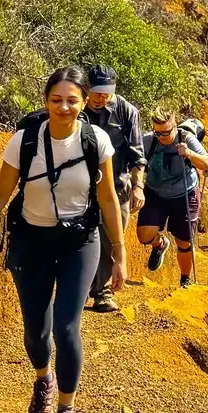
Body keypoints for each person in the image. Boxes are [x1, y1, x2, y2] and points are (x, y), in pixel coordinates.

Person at [0, 67, 125, 413]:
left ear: (84, 104)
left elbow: (109, 199)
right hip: (31, 241)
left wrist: (119, 253)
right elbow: (0, 194)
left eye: (71, 100)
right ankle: (42, 379)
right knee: (37, 330)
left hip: (80, 242)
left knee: (66, 327)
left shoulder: (95, 141)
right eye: (56, 99)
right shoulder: (24, 140)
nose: (63, 107)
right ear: (46, 100)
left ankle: (66, 411)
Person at [77, 65, 141, 314]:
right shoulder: (77, 108)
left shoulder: (127, 111)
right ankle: (82, 288)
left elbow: (137, 153)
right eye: (96, 92)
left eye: (106, 93)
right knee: (82, 235)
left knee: (111, 237)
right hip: (81, 185)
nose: (100, 98)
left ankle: (102, 291)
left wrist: (139, 187)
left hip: (118, 186)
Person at [136, 109, 208, 290]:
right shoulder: (149, 140)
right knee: (144, 235)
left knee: (184, 242)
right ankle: (159, 244)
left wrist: (189, 154)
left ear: (174, 125)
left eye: (166, 132)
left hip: (184, 193)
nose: (162, 136)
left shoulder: (187, 139)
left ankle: (185, 279)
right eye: (158, 132)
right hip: (155, 192)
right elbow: (136, 162)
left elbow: (206, 164)